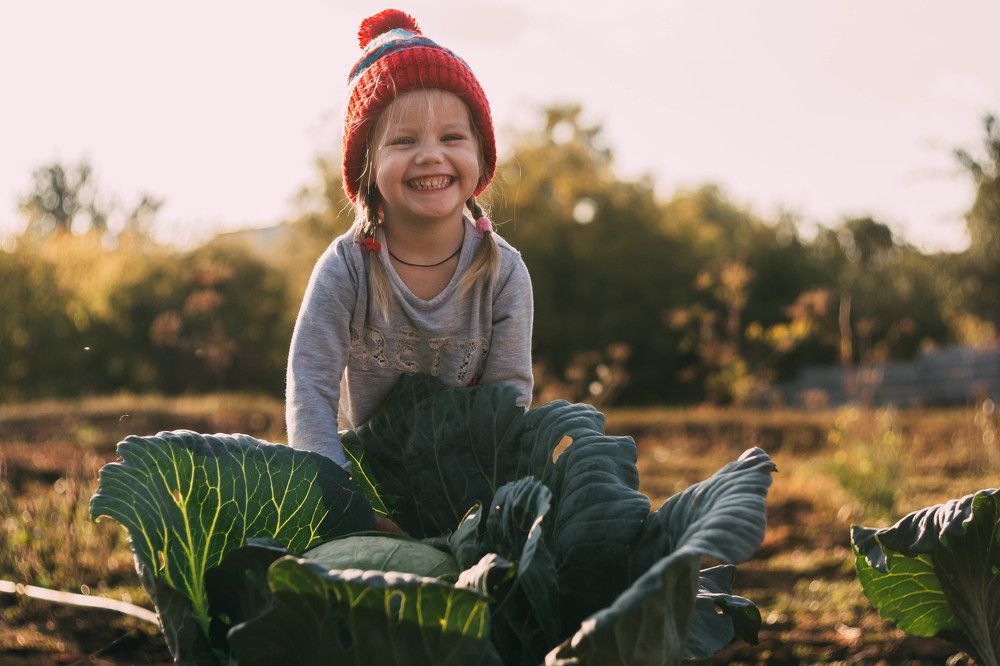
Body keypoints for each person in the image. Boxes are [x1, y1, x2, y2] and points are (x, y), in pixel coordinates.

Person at [285, 8, 534, 528]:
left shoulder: (503, 274)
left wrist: (479, 515)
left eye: (451, 138)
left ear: (481, 156)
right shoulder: (345, 269)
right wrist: (342, 504)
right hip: (359, 482)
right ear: (367, 166)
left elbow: (506, 406)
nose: (430, 157)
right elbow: (310, 391)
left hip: (464, 493)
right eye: (403, 141)